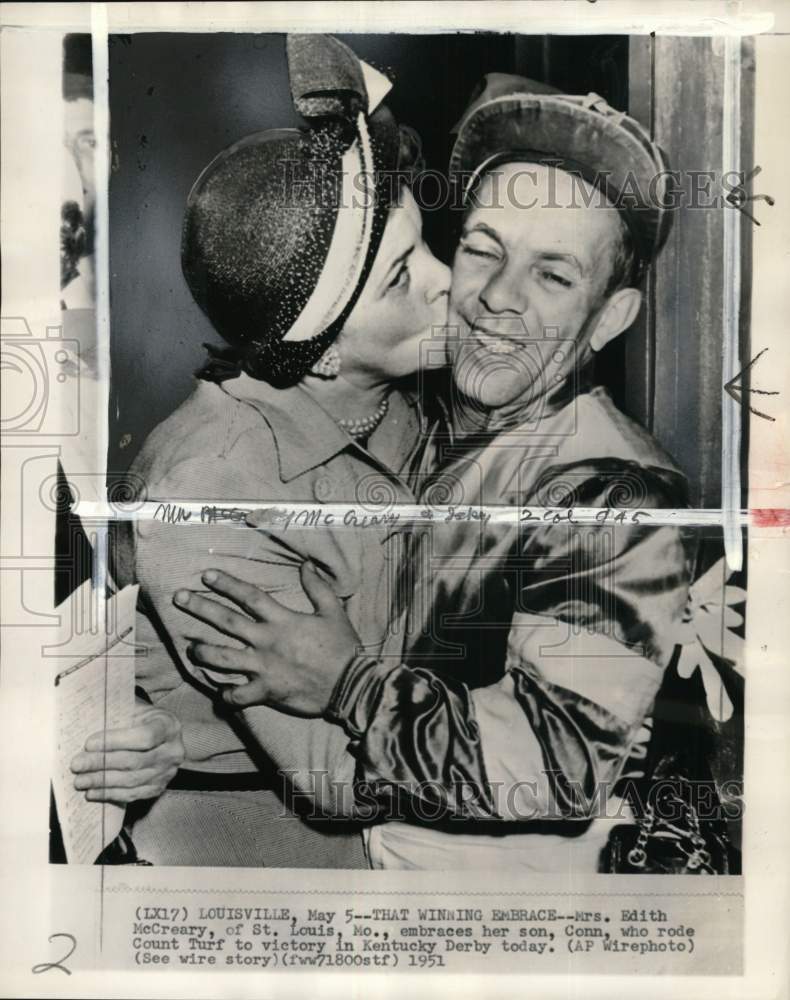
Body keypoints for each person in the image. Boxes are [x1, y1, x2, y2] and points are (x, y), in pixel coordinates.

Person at [173, 75, 700, 871]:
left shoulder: (615, 491)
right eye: (484, 249)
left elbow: (556, 765)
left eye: (554, 276)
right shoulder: (430, 423)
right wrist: (166, 732)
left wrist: (349, 684)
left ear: (611, 318)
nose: (495, 297)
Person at [70, 35, 450, 867]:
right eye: (401, 275)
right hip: (269, 856)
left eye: (424, 246)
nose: (445, 278)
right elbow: (340, 777)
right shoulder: (208, 488)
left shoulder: (387, 398)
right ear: (323, 352)